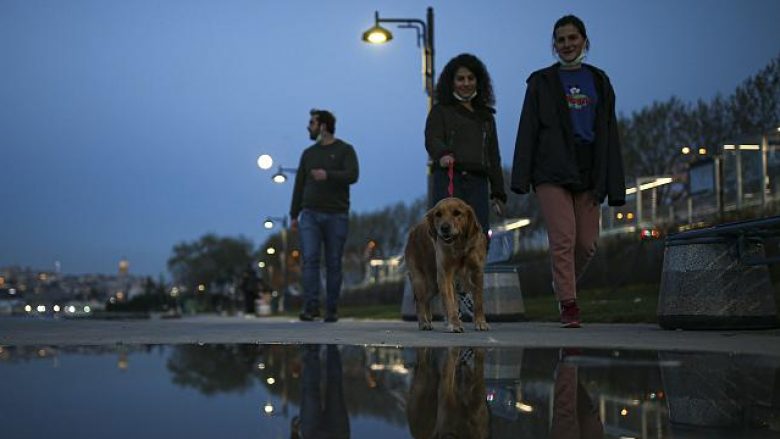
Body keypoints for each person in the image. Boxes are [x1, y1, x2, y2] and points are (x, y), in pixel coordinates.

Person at [510, 15, 625, 328]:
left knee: (586, 243)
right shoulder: (541, 82)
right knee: (563, 239)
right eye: (560, 40)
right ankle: (569, 303)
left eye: (572, 38)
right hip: (551, 169)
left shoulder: (600, 80)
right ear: (554, 45)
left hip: (590, 170)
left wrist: (614, 183)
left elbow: (609, 131)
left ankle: (561, 284)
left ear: (584, 41)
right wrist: (520, 178)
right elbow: (527, 129)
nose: (567, 45)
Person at [425, 53, 507, 243]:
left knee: (478, 238)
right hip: (449, 179)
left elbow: (493, 157)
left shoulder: (486, 117)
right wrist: (443, 154)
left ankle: (476, 273)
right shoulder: (441, 111)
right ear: (451, 82)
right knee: (448, 238)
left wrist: (498, 193)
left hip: (478, 183)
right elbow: (432, 138)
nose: (466, 83)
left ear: (478, 82)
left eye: (471, 78)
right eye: (460, 78)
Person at [290, 109, 359, 322]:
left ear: (322, 126)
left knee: (333, 262)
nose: (308, 127)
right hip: (309, 214)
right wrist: (294, 214)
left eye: (311, 123)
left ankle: (331, 309)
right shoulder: (308, 154)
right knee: (310, 260)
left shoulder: (345, 150)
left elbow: (353, 175)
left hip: (336, 214)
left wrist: (327, 175)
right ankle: (311, 307)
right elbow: (299, 184)